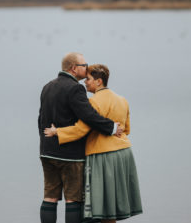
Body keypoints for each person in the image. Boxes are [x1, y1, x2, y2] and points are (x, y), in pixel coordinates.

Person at [45, 64, 143, 223]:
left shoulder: (93, 102)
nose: (85, 82)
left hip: (103, 155)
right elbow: (127, 129)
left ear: (99, 81)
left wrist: (58, 132)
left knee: (101, 205)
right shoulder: (122, 100)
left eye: (88, 79)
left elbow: (80, 130)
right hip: (124, 154)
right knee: (111, 205)